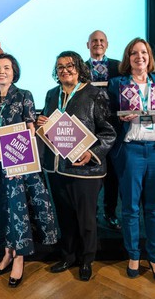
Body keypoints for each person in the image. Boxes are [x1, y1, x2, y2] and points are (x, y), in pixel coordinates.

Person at [0, 54, 58, 288]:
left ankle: (19, 256)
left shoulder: (24, 95)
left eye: (7, 68)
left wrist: (23, 161)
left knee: (17, 209)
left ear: (14, 72)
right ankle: (7, 253)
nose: (1, 71)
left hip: (18, 162)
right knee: (0, 208)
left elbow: (31, 129)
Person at [37, 51, 116, 282]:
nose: (65, 70)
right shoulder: (52, 94)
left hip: (85, 169)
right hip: (57, 167)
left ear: (80, 68)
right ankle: (68, 256)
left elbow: (109, 132)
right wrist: (40, 121)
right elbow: (48, 125)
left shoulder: (95, 94)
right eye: (60, 67)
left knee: (86, 219)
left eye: (70, 65)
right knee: (65, 216)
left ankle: (87, 260)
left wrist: (92, 153)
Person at [108, 38, 155, 285]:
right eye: (134, 53)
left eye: (144, 52)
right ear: (128, 58)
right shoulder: (117, 84)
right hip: (131, 149)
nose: (140, 57)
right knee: (130, 207)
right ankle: (134, 255)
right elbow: (107, 117)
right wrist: (120, 118)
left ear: (150, 56)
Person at [85, 30, 122, 230]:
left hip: (114, 126)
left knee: (113, 174)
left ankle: (110, 212)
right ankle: (92, 212)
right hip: (89, 127)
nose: (98, 43)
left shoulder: (119, 66)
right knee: (90, 171)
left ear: (107, 44)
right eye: (94, 41)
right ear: (88, 45)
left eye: (101, 41)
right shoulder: (80, 68)